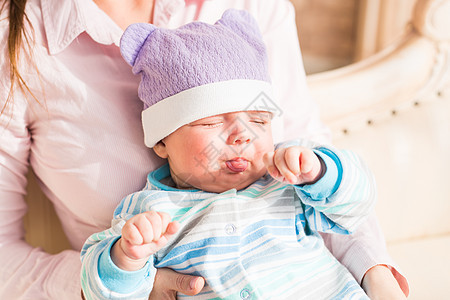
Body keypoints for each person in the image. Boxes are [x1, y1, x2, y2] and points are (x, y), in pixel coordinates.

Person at [0, 0, 408, 299]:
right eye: (210, 122)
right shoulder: (148, 213)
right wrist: (132, 275)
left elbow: (340, 193)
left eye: (261, 119)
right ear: (160, 142)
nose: (242, 135)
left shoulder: (285, 187)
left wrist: (375, 273)